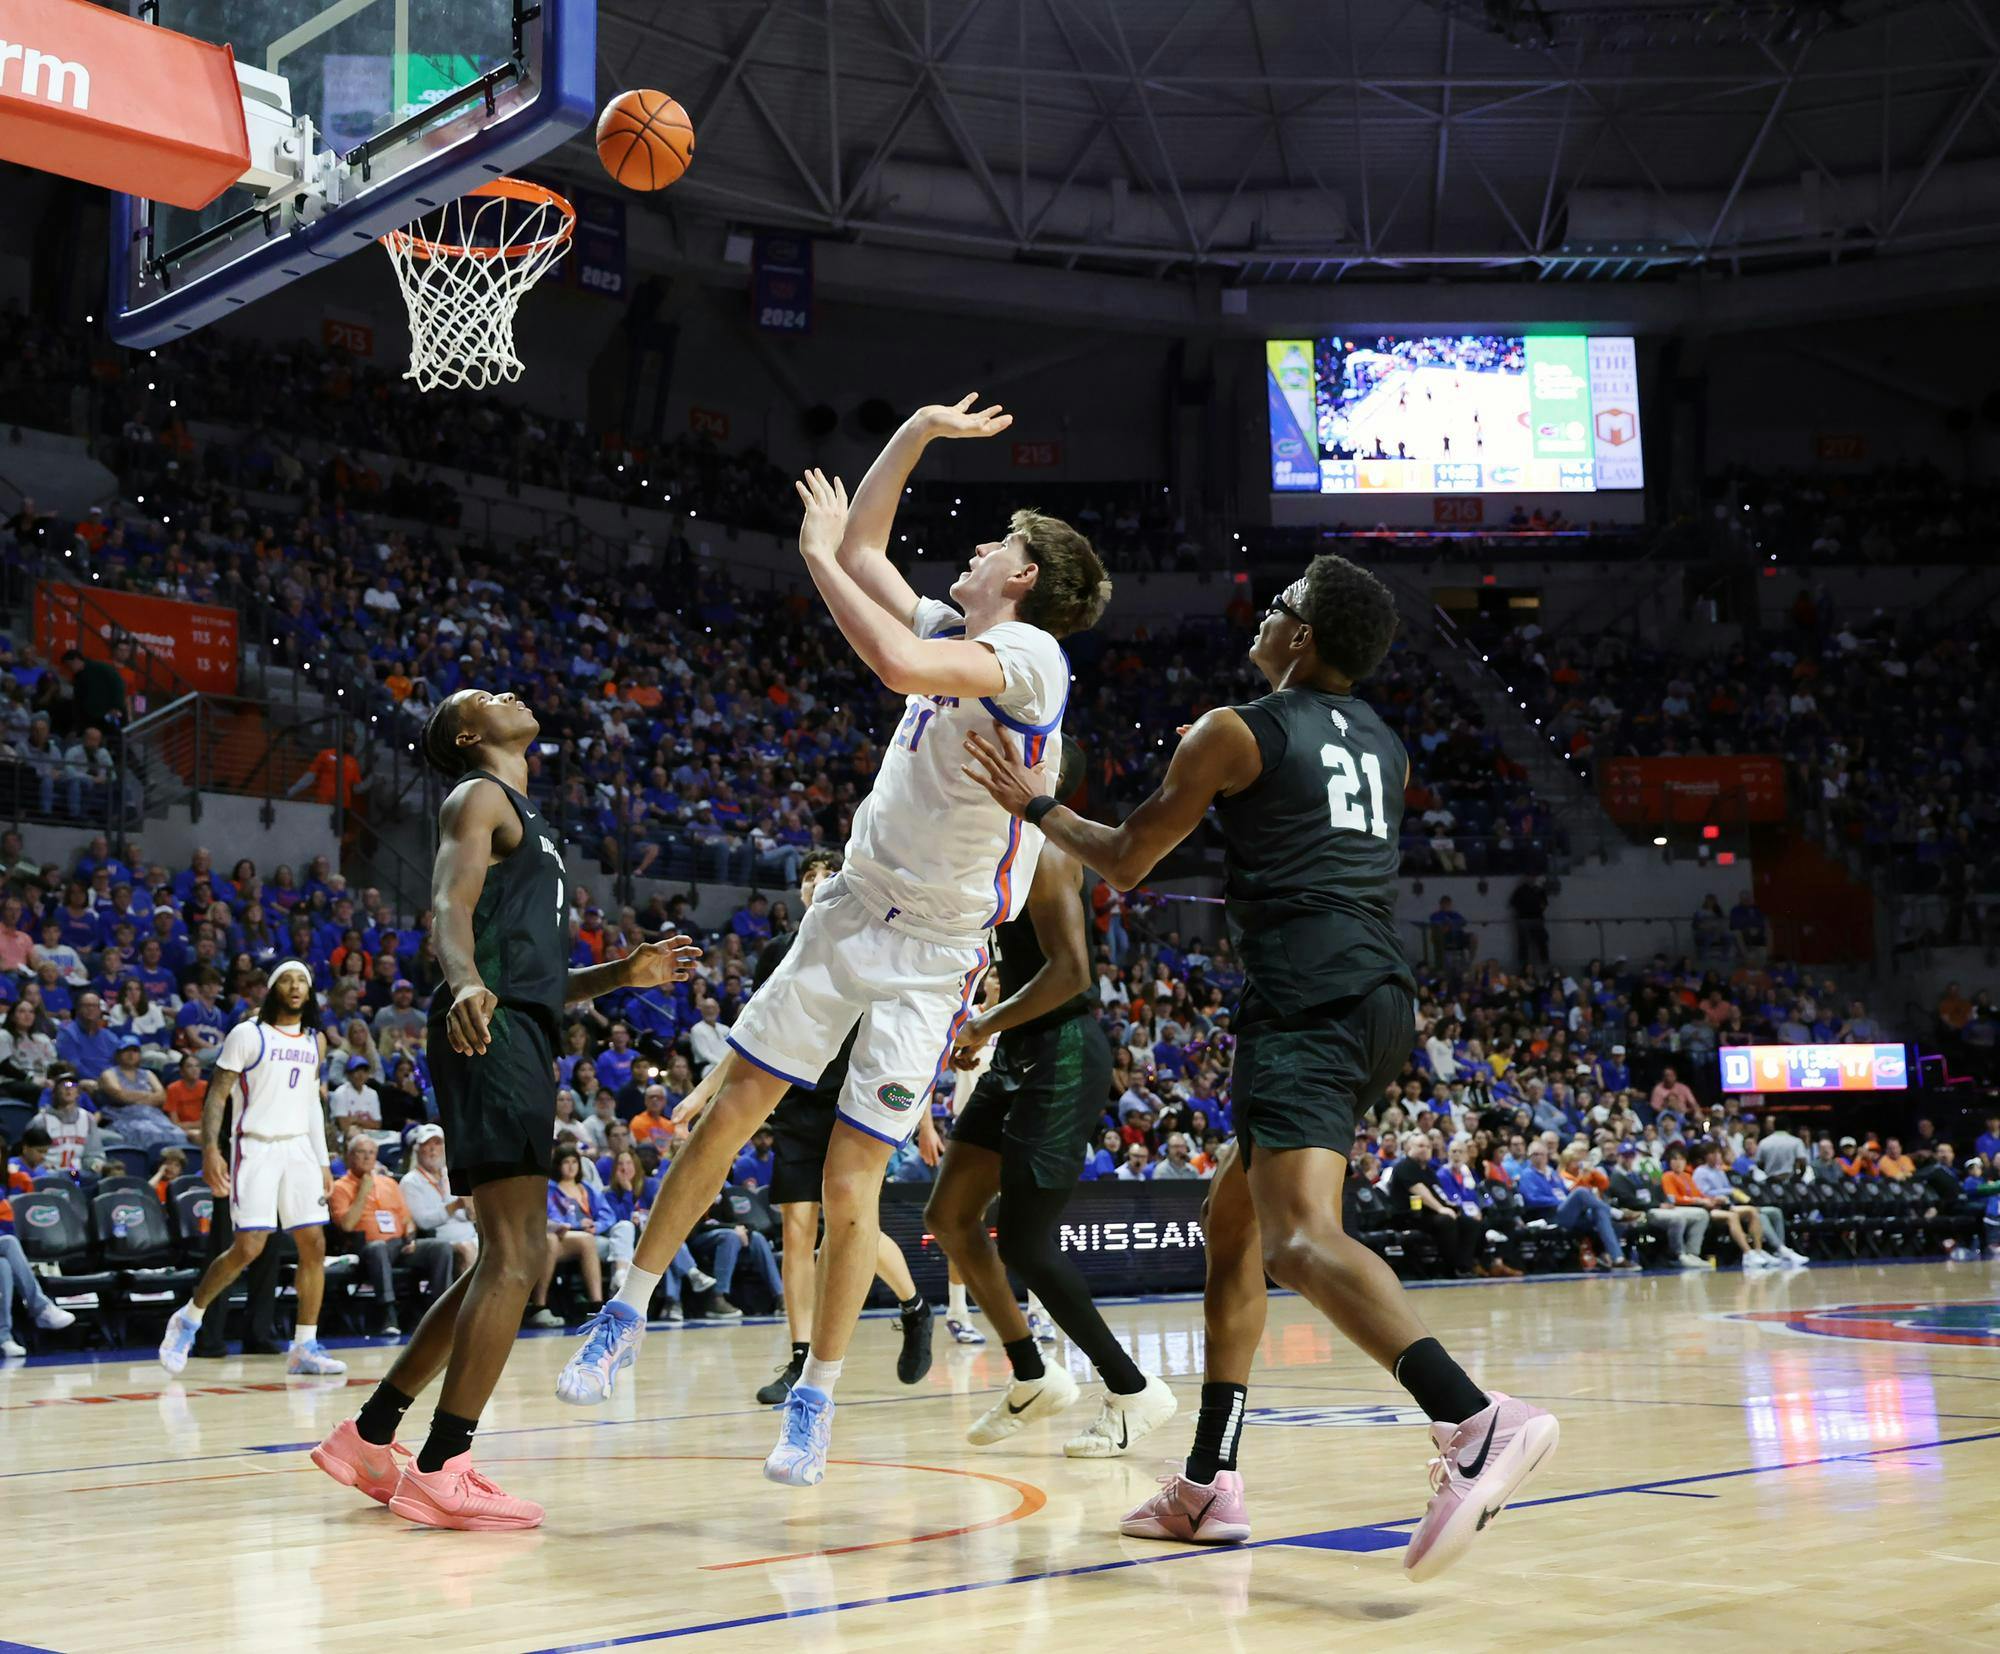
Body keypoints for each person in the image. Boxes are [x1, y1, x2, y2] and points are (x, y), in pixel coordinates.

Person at [963, 554, 1556, 1581]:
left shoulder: (1234, 728)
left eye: (1277, 607)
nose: (1262, 615)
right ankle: (1206, 1482)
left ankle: (1470, 1418)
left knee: (1294, 1237)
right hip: (1375, 993)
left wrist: (1038, 804)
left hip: (1305, 999)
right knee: (1229, 1225)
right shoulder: (1385, 741)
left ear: (1302, 638)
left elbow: (1126, 859)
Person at [555, 419, 1106, 1495]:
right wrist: (915, 433)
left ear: (1024, 573)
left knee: (853, 1183)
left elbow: (888, 645)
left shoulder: (1032, 656)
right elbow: (865, 554)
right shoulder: (964, 622)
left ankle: (815, 1394)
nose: (978, 549)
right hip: (852, 908)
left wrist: (813, 556)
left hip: (934, 952)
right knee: (730, 1112)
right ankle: (622, 1314)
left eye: (996, 540)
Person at [309, 688, 699, 1531]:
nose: (511, 693)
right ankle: (445, 1466)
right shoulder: (477, 796)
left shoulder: (527, 815)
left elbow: (539, 979)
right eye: (486, 697)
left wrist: (619, 977)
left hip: (519, 1021)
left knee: (502, 1257)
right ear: (468, 733)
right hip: (491, 1029)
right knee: (520, 1257)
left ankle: (370, 1438)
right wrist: (464, 982)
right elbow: (446, 904)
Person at [926, 749, 1177, 1456]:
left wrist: (984, 1022)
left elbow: (1071, 973)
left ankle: (1133, 1391)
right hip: (1022, 1051)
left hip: (1065, 1052)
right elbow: (1026, 960)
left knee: (1029, 1242)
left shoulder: (1045, 852)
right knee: (949, 1215)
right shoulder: (1005, 852)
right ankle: (1032, 1375)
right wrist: (991, 1018)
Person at [658, 850, 935, 1409]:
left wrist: (923, 1119)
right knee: (796, 1233)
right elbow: (755, 1029)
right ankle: (800, 1356)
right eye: (808, 875)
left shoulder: (875, 937)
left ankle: (915, 1307)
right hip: (795, 1100)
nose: (816, 881)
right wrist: (702, 1091)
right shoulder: (777, 953)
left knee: (847, 1230)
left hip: (857, 1102)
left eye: (827, 872)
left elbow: (908, 1044)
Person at [156, 962, 345, 1376]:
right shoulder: (248, 1033)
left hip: (298, 1149)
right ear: (273, 988)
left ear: (310, 993)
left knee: (313, 1244)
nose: (295, 987)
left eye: (302, 981)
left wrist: (322, 1159)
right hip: (254, 1148)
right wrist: (210, 1150)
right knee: (248, 1248)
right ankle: (188, 1318)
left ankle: (304, 1346)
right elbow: (217, 1095)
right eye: (287, 980)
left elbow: (313, 1103)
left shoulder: (316, 1041)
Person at [330, 1132, 455, 1334]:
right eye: (361, 1152)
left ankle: (441, 1312)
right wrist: (363, 1190)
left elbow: (406, 1219)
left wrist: (410, 1237)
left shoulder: (389, 1183)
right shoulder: (340, 1187)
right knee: (378, 1248)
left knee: (441, 1248)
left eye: (371, 1153)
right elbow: (346, 1225)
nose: (367, 1157)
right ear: (350, 1156)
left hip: (399, 1245)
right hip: (365, 1250)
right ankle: (388, 1315)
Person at [1662, 1145, 1775, 1266]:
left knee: (1752, 1211)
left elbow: (1700, 1195)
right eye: (1675, 1159)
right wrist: (1698, 1201)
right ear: (1670, 1162)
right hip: (1692, 1208)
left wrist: (1712, 1200)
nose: (1678, 1163)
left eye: (1681, 1159)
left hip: (1707, 1206)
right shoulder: (1668, 1176)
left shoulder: (1688, 1176)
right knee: (1732, 1216)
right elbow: (1673, 1198)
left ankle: (1758, 1251)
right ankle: (1747, 1253)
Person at [398, 1124, 479, 1275]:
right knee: (466, 1249)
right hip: (440, 1241)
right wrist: (455, 1206)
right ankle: (471, 1298)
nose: (432, 1149)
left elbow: (471, 1217)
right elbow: (424, 1221)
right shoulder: (410, 1182)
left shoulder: (452, 1175)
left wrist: (470, 1209)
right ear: (418, 1149)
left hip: (471, 1235)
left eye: (437, 1143)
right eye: (427, 1144)